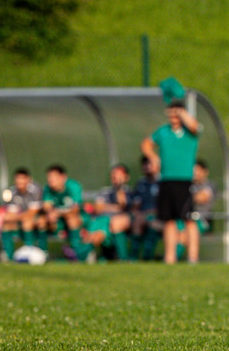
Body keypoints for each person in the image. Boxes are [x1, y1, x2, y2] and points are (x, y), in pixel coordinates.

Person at [141, 99, 202, 264]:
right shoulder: (163, 132)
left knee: (189, 219)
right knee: (168, 220)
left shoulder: (190, 132)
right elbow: (146, 144)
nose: (173, 117)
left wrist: (183, 114)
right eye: (171, 114)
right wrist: (154, 157)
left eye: (177, 114)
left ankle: (193, 257)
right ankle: (170, 257)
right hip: (167, 180)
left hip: (184, 181)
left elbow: (195, 126)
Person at [39, 164, 89, 261]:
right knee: (42, 221)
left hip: (79, 218)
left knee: (72, 219)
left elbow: (75, 209)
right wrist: (50, 214)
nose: (50, 180)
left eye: (54, 177)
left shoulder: (73, 186)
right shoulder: (47, 189)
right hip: (59, 221)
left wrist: (57, 212)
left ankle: (76, 253)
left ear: (63, 177)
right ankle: (42, 253)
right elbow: (46, 206)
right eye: (49, 177)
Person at [84, 163, 133, 261]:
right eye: (114, 174)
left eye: (119, 174)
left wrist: (119, 188)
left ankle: (79, 254)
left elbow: (124, 206)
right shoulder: (104, 191)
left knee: (103, 229)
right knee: (96, 225)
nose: (115, 176)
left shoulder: (130, 192)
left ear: (126, 177)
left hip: (116, 222)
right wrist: (116, 207)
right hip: (101, 220)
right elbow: (98, 208)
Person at [0, 167, 43, 261]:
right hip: (20, 220)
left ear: (28, 180)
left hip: (36, 219)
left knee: (28, 221)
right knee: (7, 224)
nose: (20, 182)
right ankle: (7, 256)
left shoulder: (36, 190)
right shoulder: (12, 192)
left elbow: (32, 213)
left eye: (22, 178)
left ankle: (29, 253)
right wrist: (17, 217)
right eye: (17, 179)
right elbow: (10, 215)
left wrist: (17, 216)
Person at [130, 156, 162, 261]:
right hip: (143, 214)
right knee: (137, 221)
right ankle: (133, 257)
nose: (148, 166)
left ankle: (147, 257)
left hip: (159, 215)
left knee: (153, 223)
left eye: (150, 164)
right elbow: (136, 204)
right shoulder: (140, 183)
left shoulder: (163, 182)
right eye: (145, 164)